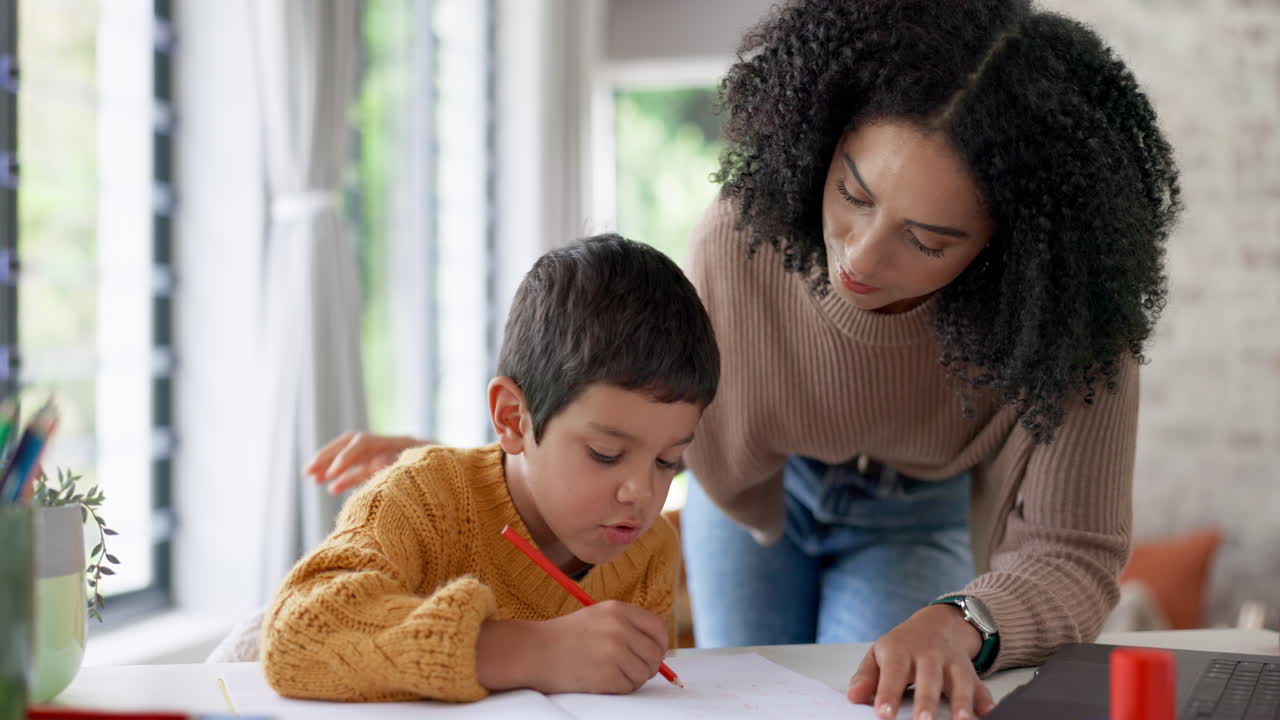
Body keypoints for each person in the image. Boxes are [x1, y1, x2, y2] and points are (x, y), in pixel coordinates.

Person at [309, 1, 1181, 717]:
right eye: (853, 193)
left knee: (873, 702)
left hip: (913, 510)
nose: (862, 259)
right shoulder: (743, 238)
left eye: (927, 239)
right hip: (750, 496)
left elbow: (1072, 549)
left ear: (1011, 251)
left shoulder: (1065, 322)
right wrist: (470, 467)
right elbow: (639, 402)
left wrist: (964, 619)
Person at [262, 234, 720, 702]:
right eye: (605, 452)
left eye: (669, 461)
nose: (641, 493)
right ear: (511, 418)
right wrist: (532, 652)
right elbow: (295, 635)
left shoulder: (648, 551)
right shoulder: (424, 498)